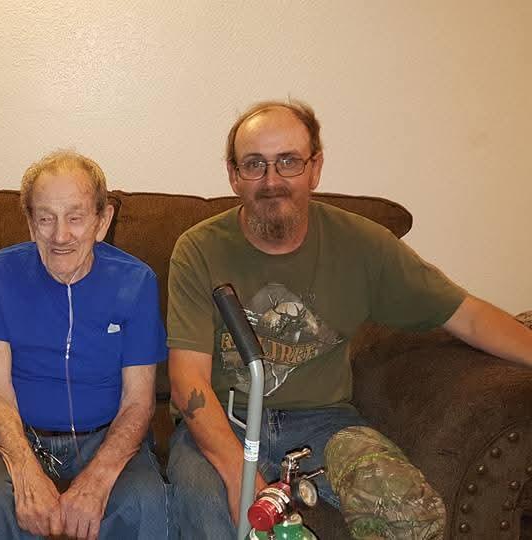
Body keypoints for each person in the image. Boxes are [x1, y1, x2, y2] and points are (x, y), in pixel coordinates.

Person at [166, 100, 532, 537]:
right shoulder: (198, 250)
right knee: (212, 519)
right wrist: (239, 482)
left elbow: (468, 317)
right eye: (254, 165)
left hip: (324, 423)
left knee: (407, 511)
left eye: (288, 162)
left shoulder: (361, 244)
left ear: (315, 168)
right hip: (227, 423)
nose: (272, 181)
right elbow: (189, 381)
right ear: (233, 175)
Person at [0, 150, 170, 539]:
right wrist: (24, 470)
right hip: (21, 435)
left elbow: (139, 401)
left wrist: (99, 479)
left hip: (108, 437)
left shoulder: (136, 282)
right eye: (46, 218)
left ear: (102, 221)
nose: (60, 236)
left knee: (146, 502)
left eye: (75, 217)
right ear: (30, 223)